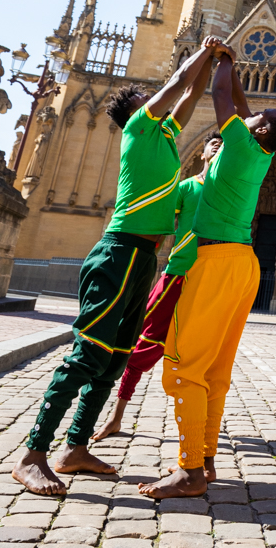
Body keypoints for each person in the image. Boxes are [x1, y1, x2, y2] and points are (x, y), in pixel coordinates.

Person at [11, 38, 221, 496]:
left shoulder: (165, 138)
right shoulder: (139, 131)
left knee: (114, 359)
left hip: (144, 258)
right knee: (87, 354)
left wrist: (217, 61)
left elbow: (191, 93)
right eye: (148, 101)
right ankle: (32, 453)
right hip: (118, 252)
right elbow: (178, 82)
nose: (158, 103)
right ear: (137, 111)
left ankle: (74, 448)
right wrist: (204, 50)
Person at [138, 44, 276, 499]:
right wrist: (238, 77)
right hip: (244, 264)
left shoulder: (241, 143)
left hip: (216, 262)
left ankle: (189, 470)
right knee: (216, 369)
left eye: (257, 117)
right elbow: (245, 108)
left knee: (184, 366)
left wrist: (222, 57)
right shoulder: (258, 151)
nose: (247, 116)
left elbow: (224, 97)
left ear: (261, 129)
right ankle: (205, 456)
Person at [92, 131, 223, 442]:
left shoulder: (229, 193)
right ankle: (116, 416)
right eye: (213, 143)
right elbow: (161, 225)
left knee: (205, 357)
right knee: (144, 345)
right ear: (202, 153)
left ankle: (199, 431)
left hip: (210, 279)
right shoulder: (186, 188)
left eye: (224, 145)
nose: (218, 146)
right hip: (177, 274)